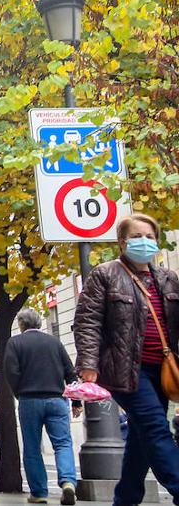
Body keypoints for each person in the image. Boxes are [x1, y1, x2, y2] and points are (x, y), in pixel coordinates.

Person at [74, 213, 179, 506]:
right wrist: (88, 365)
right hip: (124, 370)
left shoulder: (167, 278)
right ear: (122, 242)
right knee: (156, 428)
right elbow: (88, 322)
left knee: (141, 435)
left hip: (163, 371)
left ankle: (126, 499)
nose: (144, 241)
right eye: (136, 236)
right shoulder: (105, 274)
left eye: (149, 236)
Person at [3, 308, 81, 506]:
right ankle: (68, 483)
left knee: (32, 447)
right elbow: (71, 373)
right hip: (57, 399)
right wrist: (77, 402)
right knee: (63, 443)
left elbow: (11, 372)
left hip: (29, 400)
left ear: (21, 324)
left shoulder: (15, 343)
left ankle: (39, 492)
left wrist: (19, 393)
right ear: (38, 323)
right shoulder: (54, 342)